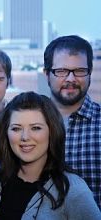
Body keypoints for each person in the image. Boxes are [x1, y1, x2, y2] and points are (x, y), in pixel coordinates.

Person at [0, 92, 101, 219]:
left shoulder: (73, 190)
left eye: (36, 128)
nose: (25, 137)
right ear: (6, 133)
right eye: (16, 128)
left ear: (52, 131)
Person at [43, 35, 101, 208]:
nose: (70, 79)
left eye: (79, 71)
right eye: (61, 71)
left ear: (90, 73)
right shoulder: (27, 126)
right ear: (47, 74)